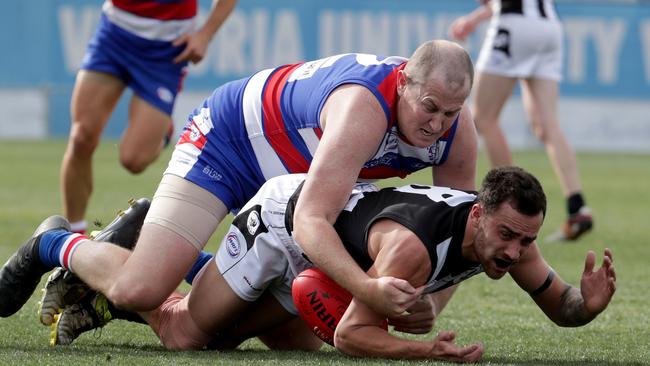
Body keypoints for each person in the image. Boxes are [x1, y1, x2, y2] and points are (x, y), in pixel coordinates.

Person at [0, 40, 477, 325]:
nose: (437, 124)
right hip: (228, 143)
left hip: (291, 177)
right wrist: (369, 293)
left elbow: (454, 236)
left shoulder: (456, 131)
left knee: (296, 329)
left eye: (451, 112)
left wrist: (429, 304)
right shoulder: (363, 110)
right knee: (138, 289)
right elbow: (313, 221)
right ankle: (53, 242)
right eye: (429, 107)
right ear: (402, 83)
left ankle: (157, 241)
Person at [52, 167, 615, 362]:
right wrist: (427, 353)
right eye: (508, 237)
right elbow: (354, 335)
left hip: (323, 258)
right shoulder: (413, 247)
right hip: (284, 224)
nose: (515, 254)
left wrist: (585, 306)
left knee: (293, 346)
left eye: (526, 242)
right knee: (184, 336)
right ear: (478, 216)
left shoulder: (507, 237)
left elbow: (560, 306)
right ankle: (61, 245)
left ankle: (154, 263)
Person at [61, 0, 238, 234]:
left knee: (133, 161)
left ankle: (162, 132)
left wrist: (205, 34)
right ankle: (73, 234)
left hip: (166, 48)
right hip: (115, 33)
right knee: (81, 137)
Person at [448, 0, 593, 241]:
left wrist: (474, 17)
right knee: (547, 125)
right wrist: (475, 19)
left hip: (514, 27)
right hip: (549, 27)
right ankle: (577, 205)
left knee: (484, 117)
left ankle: (512, 202)